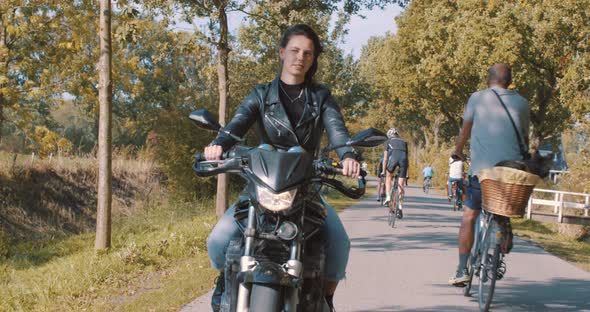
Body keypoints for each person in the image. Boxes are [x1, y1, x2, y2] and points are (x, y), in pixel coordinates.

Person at [202, 24, 360, 311]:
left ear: (313, 60)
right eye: (295, 50)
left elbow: (337, 130)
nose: (301, 57)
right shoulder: (261, 95)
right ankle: (225, 282)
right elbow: (238, 123)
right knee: (218, 239)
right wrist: (219, 144)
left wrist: (347, 155)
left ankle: (325, 298)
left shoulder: (321, 97)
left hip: (304, 188)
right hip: (262, 186)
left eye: (308, 53)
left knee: (339, 243)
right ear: (282, 52)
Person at [449, 63, 528, 286]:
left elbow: (465, 131)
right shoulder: (522, 103)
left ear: (488, 79)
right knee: (502, 207)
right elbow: (524, 137)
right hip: (511, 172)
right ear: (510, 80)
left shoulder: (477, 98)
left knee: (469, 217)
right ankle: (504, 226)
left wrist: (457, 151)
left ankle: (462, 269)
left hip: (482, 173)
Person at [382, 128, 408, 218]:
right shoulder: (404, 142)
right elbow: (406, 158)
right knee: (401, 185)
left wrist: (383, 171)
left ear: (389, 136)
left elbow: (385, 158)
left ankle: (388, 196)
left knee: (388, 177)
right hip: (403, 161)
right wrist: (407, 173)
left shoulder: (387, 142)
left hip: (393, 159)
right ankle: (400, 208)